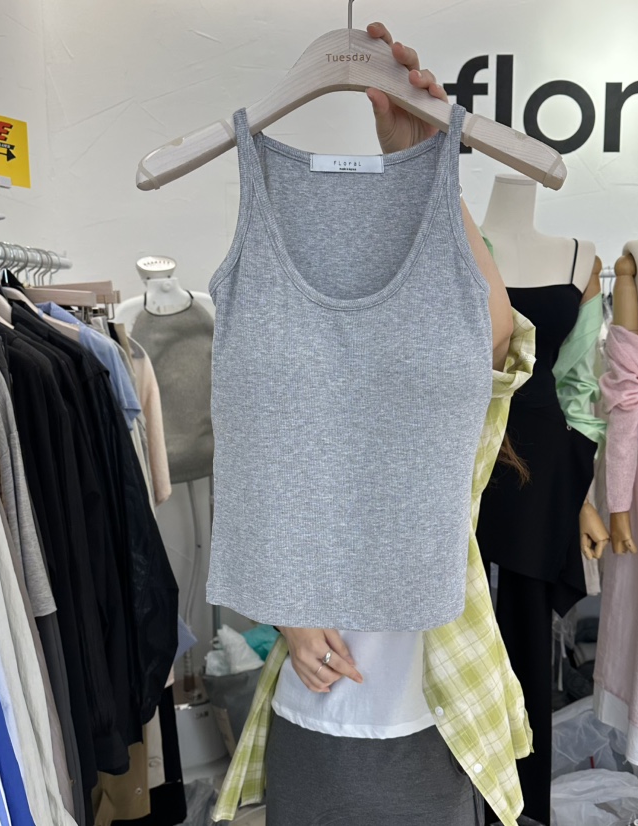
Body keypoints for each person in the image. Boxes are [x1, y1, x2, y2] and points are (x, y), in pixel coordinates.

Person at [213, 22, 534, 826]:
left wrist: (426, 168)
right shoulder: (262, 261)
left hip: (435, 697)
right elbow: (251, 475)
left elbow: (499, 337)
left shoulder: (460, 329)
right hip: (313, 696)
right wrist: (286, 601)